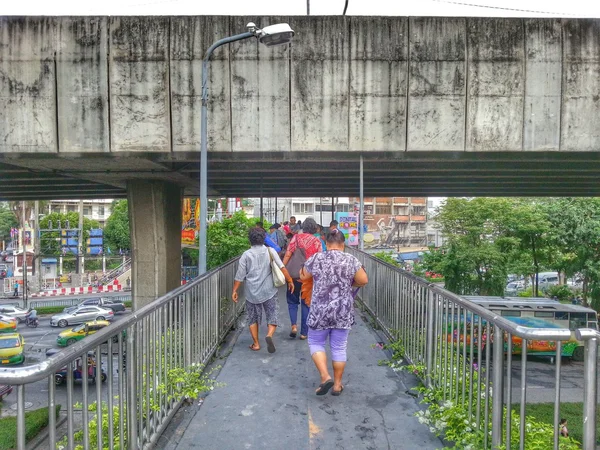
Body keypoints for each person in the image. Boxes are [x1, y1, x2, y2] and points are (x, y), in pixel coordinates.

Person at [300, 228, 368, 396]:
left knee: (316, 343)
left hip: (319, 311)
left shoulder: (317, 258)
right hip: (342, 311)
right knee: (338, 347)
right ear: (343, 244)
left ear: (326, 243)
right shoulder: (351, 260)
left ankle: (325, 377)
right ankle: (337, 385)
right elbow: (363, 280)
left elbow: (303, 276)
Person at [232, 227, 294, 353]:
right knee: (272, 315)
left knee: (252, 318)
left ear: (250, 240)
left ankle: (256, 344)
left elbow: (240, 275)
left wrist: (235, 290)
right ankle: (269, 335)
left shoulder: (246, 255)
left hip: (252, 292)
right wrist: (290, 280)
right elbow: (281, 267)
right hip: (269, 290)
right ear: (264, 238)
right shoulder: (270, 251)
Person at [282, 218, 323, 340]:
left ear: (303, 227)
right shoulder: (317, 242)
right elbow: (319, 260)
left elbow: (288, 254)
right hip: (308, 277)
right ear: (314, 228)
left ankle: (294, 326)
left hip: (294, 275)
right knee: (306, 303)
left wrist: (282, 269)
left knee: (292, 301)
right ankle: (304, 333)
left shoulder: (296, 238)